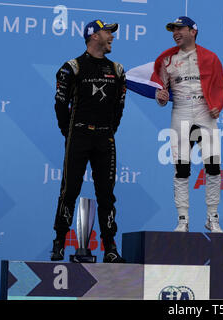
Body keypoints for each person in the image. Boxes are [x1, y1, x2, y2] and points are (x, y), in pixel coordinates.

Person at [50, 19, 127, 263]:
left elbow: (119, 109)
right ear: (94, 36)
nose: (112, 37)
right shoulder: (72, 67)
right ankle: (59, 242)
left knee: (106, 194)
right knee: (69, 190)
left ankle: (110, 247)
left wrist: (107, 131)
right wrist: (69, 132)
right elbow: (60, 105)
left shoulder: (117, 70)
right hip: (79, 135)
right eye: (108, 33)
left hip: (105, 137)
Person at [153, 16, 223, 233]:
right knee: (181, 169)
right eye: (173, 30)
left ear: (193, 31)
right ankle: (182, 219)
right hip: (181, 113)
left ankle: (212, 217)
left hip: (205, 113)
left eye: (179, 29)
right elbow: (160, 90)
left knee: (213, 167)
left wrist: (217, 106)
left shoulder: (211, 58)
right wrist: (161, 97)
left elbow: (220, 86)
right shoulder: (166, 60)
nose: (175, 33)